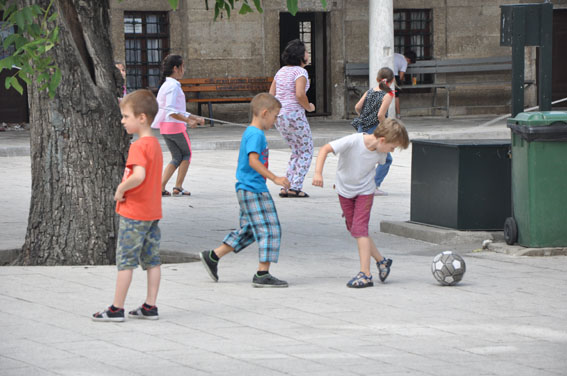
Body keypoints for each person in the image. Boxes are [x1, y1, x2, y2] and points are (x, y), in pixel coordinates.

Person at [199, 93, 291, 288]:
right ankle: (262, 273)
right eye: (275, 116)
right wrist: (275, 178)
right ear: (265, 113)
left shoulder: (253, 132)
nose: (275, 121)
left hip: (247, 188)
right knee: (270, 228)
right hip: (253, 189)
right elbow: (253, 160)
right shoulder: (256, 134)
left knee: (249, 230)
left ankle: (213, 256)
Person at [312, 118, 410, 288]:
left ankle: (365, 274)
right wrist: (318, 173)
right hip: (344, 191)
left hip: (365, 191)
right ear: (382, 140)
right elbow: (325, 149)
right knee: (355, 230)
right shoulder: (353, 141)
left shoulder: (381, 152)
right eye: (393, 147)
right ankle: (382, 261)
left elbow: (366, 167)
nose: (391, 151)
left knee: (360, 229)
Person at [92, 89, 163, 321]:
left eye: (125, 116)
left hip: (134, 213)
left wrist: (120, 189)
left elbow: (139, 175)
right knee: (152, 260)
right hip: (152, 212)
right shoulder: (154, 144)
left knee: (125, 262)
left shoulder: (138, 146)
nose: (122, 121)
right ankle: (150, 306)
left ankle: (116, 308)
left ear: (141, 117)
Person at [151, 54, 204, 197]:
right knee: (187, 154)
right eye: (183, 66)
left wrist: (194, 117)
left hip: (165, 127)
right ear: (176, 68)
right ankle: (178, 186)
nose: (184, 70)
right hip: (175, 126)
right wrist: (189, 121)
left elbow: (175, 109)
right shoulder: (173, 86)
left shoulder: (166, 85)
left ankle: (161, 187)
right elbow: (171, 111)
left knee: (176, 156)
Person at [269, 39, 315, 198]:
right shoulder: (300, 72)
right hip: (294, 114)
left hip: (280, 117)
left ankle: (286, 186)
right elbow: (300, 94)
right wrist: (309, 107)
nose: (308, 54)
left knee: (296, 151)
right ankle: (295, 186)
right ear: (301, 56)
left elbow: (271, 95)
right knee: (307, 150)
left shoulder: (280, 71)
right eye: (306, 51)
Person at [352, 67, 395, 196]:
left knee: (363, 157)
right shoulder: (388, 94)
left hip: (362, 127)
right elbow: (381, 115)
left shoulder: (369, 91)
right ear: (392, 81)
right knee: (386, 159)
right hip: (375, 129)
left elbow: (357, 107)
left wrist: (364, 117)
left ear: (377, 79)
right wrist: (386, 127)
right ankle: (373, 185)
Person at [393, 50, 416, 118]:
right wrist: (401, 82)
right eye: (409, 63)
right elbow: (401, 76)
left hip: (384, 73)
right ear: (408, 59)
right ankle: (398, 114)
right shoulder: (405, 62)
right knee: (395, 96)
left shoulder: (397, 54)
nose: (408, 64)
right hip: (394, 76)